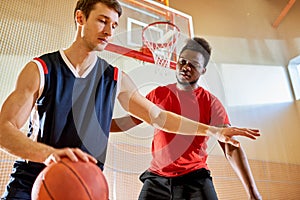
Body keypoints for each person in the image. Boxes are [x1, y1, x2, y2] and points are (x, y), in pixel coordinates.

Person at [0, 1, 260, 199]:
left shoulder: (116, 78)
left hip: (86, 187)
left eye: (114, 25)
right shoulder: (41, 70)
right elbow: (4, 130)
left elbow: (158, 116)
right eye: (102, 21)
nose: (109, 31)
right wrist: (51, 155)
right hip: (31, 182)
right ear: (80, 18)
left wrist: (214, 130)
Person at [111, 37, 262, 199]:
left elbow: (230, 147)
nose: (186, 67)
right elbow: (126, 123)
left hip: (195, 177)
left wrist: (253, 192)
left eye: (194, 65)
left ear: (203, 70)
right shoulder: (158, 94)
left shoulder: (211, 103)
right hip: (157, 179)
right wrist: (91, 123)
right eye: (183, 62)